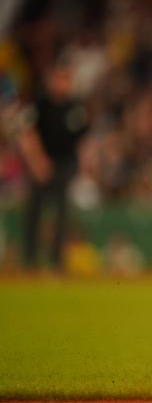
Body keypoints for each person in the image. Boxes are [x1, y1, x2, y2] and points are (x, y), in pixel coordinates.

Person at [17, 59, 90, 271]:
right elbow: (27, 134)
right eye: (58, 79)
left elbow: (82, 138)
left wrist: (82, 163)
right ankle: (29, 262)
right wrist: (37, 162)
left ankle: (56, 263)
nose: (62, 84)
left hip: (64, 165)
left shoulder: (75, 107)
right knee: (34, 212)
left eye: (65, 79)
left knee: (61, 214)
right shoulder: (40, 104)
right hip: (40, 164)